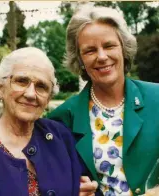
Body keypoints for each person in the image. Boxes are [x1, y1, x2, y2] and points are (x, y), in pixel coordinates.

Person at [47, 4, 159, 196]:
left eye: (109, 46)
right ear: (80, 60)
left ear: (123, 48)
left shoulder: (156, 98)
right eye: (90, 50)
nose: (101, 56)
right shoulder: (62, 118)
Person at [0, 47, 98, 196]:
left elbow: (86, 185)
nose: (31, 94)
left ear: (49, 98)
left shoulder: (61, 137)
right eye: (21, 81)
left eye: (41, 86)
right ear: (0, 88)